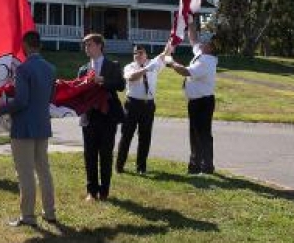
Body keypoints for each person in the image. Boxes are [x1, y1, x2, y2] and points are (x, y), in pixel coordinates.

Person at [0, 30, 57, 227]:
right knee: (44, 170)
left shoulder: (23, 69)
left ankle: (28, 216)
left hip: (23, 127)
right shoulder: (50, 68)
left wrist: (2, 108)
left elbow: (21, 101)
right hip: (42, 124)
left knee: (25, 172)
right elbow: (49, 98)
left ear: (26, 45)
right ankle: (49, 212)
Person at [77, 33, 125, 201]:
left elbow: (120, 85)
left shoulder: (113, 65)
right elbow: (78, 93)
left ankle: (104, 192)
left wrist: (102, 81)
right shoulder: (83, 69)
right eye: (85, 45)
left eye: (89, 45)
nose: (86, 48)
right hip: (89, 117)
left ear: (99, 46)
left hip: (108, 116)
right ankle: (91, 191)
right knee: (89, 154)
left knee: (105, 154)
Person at [167, 22, 217, 175]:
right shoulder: (201, 54)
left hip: (203, 102)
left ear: (211, 48)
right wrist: (189, 23)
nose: (202, 43)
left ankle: (204, 166)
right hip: (196, 101)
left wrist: (171, 62)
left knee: (202, 134)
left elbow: (185, 72)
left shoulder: (206, 61)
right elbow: (193, 39)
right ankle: (198, 165)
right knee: (196, 133)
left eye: (205, 42)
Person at [116, 44, 166, 175]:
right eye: (135, 53)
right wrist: (146, 69)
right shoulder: (129, 67)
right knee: (126, 135)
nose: (137, 55)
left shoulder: (153, 64)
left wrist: (172, 40)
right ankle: (119, 166)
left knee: (145, 137)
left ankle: (141, 167)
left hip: (148, 105)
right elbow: (131, 77)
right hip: (132, 104)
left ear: (146, 54)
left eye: (140, 52)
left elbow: (165, 53)